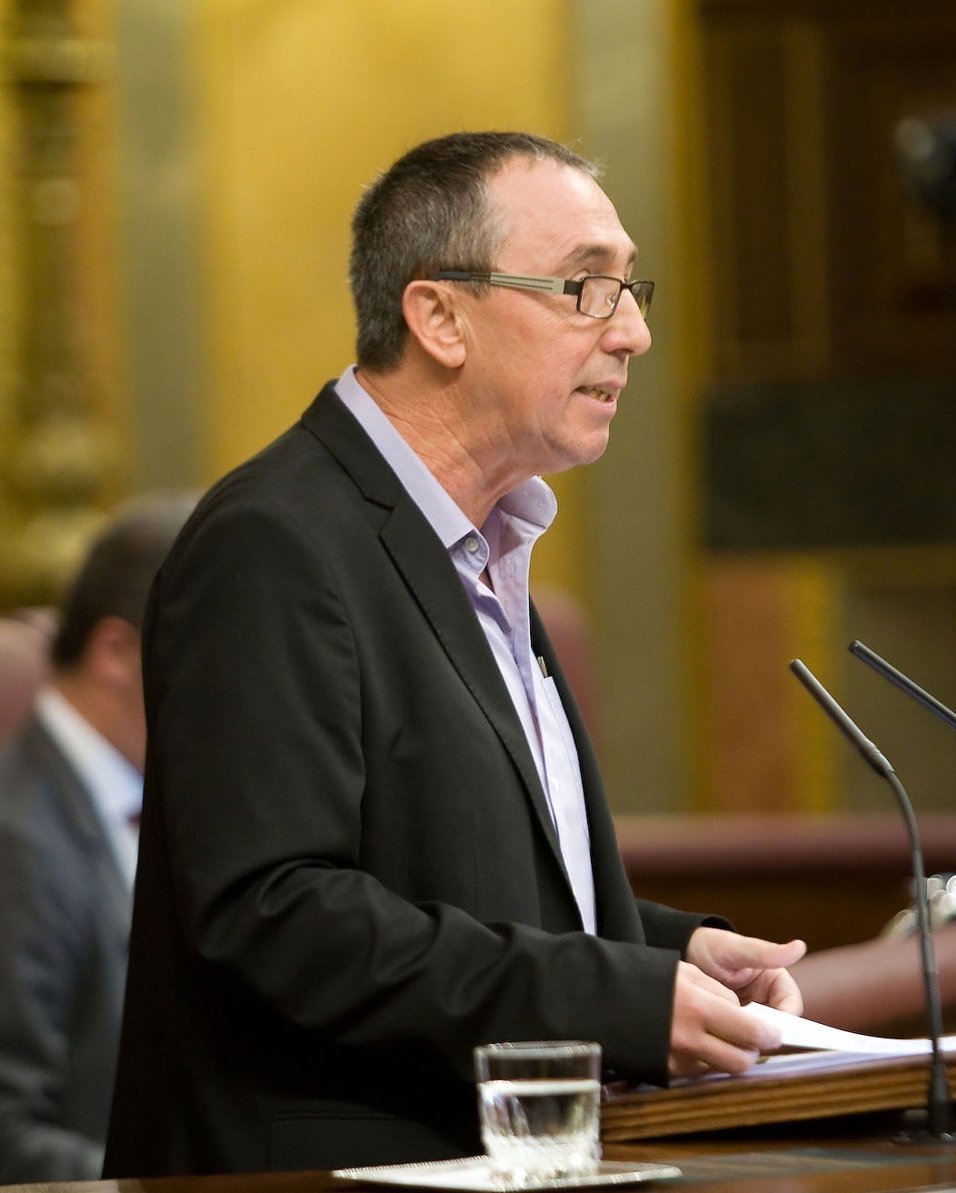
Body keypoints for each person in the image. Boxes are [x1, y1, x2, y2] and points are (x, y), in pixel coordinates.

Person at [102, 131, 806, 1179]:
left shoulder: (486, 543)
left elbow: (463, 877)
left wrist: (668, 954)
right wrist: (615, 998)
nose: (634, 332)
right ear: (439, 317)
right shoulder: (273, 543)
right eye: (587, 288)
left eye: (630, 288)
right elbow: (275, 912)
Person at [0, 494, 194, 1182]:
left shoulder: (171, 803)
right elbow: (7, 1136)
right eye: (219, 650)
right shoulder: (16, 840)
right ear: (117, 652)